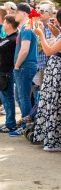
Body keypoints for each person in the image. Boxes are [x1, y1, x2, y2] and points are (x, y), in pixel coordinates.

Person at [32, 8, 61, 151]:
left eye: (56, 18)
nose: (54, 20)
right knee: (54, 104)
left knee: (54, 104)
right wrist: (56, 34)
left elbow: (49, 51)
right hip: (54, 72)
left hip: (57, 74)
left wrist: (41, 34)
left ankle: (54, 140)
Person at [9, 3, 38, 136]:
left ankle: (26, 127)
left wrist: (17, 65)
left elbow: (24, 50)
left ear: (24, 14)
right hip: (25, 66)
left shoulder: (26, 29)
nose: (15, 15)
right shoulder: (27, 28)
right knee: (21, 97)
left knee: (24, 97)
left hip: (24, 66)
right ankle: (26, 125)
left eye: (17, 12)